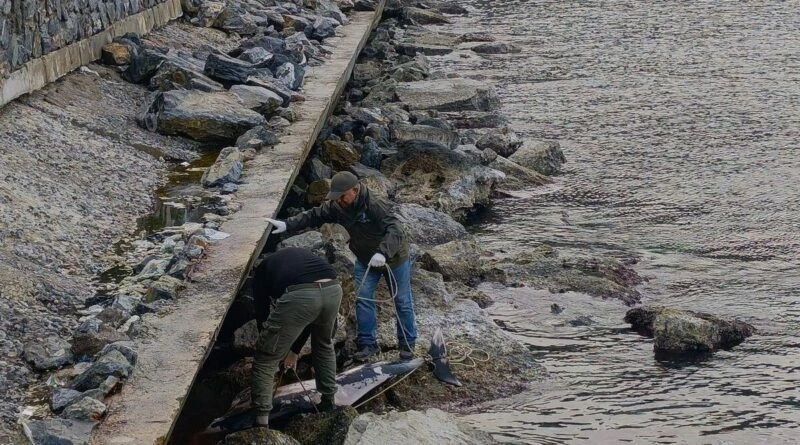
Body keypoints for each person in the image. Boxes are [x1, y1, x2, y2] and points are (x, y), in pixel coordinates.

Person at [266, 171, 417, 362]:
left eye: (342, 196)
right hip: (365, 259)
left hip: (394, 259)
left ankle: (407, 345)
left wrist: (383, 253)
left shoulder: (375, 205)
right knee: (363, 298)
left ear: (355, 190)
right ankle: (367, 345)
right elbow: (316, 215)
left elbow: (396, 229)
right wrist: (287, 224)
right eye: (336, 198)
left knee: (402, 301)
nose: (338, 201)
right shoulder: (339, 206)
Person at [249, 247, 342, 428]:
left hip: (303, 295)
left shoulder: (260, 274)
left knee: (265, 358)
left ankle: (261, 424)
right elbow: (309, 319)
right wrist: (293, 351)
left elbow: (262, 315)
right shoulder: (294, 258)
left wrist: (274, 347)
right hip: (333, 289)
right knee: (323, 344)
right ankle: (328, 402)